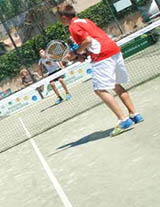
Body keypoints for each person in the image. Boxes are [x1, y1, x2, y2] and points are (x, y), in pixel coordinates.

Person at [57, 3, 143, 136]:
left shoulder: (73, 26)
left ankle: (123, 119)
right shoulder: (85, 21)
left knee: (99, 89)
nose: (58, 20)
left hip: (103, 55)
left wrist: (74, 53)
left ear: (63, 17)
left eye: (58, 17)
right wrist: (81, 55)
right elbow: (92, 40)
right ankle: (134, 114)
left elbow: (87, 41)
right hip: (113, 49)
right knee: (116, 84)